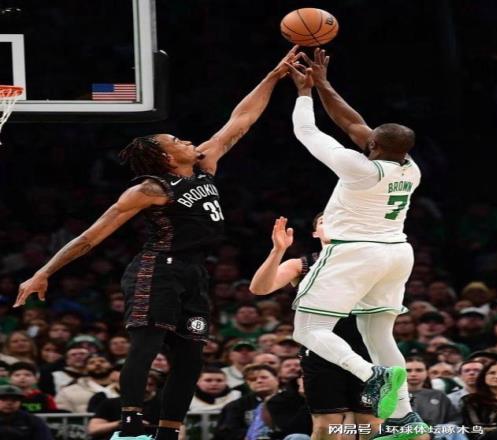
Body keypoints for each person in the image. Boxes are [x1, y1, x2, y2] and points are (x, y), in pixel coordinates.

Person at [13, 47, 300, 440]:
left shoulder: (204, 164)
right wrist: (43, 272)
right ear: (165, 157)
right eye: (176, 139)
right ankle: (131, 424)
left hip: (194, 273)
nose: (187, 140)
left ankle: (169, 429)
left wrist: (274, 75)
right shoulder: (150, 189)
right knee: (146, 347)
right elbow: (91, 235)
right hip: (157, 269)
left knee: (191, 356)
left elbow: (241, 120)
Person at [285, 49, 426, 436]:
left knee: (309, 329)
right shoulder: (410, 167)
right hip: (397, 253)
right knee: (378, 334)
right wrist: (323, 84)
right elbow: (354, 124)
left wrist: (303, 93)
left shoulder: (359, 169)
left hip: (355, 252)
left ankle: (371, 375)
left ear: (374, 146)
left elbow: (307, 132)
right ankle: (403, 416)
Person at [250, 215, 380, 440]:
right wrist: (278, 251)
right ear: (315, 233)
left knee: (369, 423)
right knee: (326, 425)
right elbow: (259, 289)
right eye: (323, 221)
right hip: (320, 353)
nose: (333, 222)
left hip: (365, 348)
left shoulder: (370, 263)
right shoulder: (301, 265)